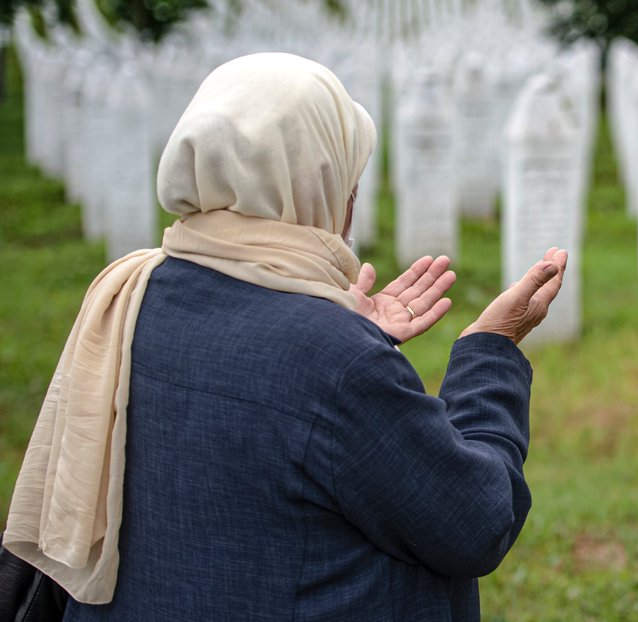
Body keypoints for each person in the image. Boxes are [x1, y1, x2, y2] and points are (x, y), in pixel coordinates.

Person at [2, 52, 568, 621]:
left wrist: (343, 340)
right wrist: (490, 348)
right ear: (315, 182)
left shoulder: (134, 289)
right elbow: (472, 523)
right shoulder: (331, 359)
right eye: (347, 177)